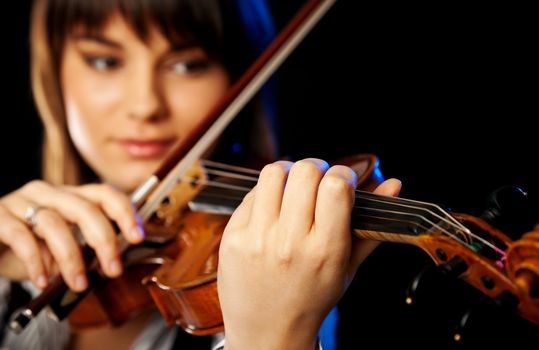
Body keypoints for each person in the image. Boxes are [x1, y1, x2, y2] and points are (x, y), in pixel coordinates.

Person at [0, 0, 401, 349]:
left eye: (187, 65)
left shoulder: (276, 263)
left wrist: (274, 338)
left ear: (234, 75)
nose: (145, 105)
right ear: (54, 68)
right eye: (105, 61)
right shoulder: (9, 260)